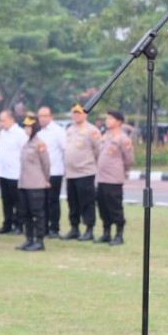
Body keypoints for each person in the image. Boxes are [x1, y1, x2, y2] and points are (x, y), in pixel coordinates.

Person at [62, 103, 101, 241]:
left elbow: (98, 150)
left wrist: (90, 164)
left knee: (87, 202)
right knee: (72, 203)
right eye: (74, 112)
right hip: (71, 173)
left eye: (79, 112)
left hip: (85, 172)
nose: (76, 115)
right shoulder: (70, 129)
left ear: (85, 114)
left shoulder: (92, 130)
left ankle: (89, 229)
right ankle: (74, 228)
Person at [94, 110, 133, 246]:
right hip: (102, 178)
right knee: (103, 206)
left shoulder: (123, 138)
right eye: (107, 118)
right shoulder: (105, 136)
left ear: (119, 122)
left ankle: (119, 234)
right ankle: (106, 233)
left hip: (114, 179)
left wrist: (124, 170)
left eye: (111, 119)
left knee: (115, 207)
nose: (107, 121)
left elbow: (129, 158)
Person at [17, 114, 51, 251]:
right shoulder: (27, 143)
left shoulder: (39, 143)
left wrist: (46, 179)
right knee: (26, 214)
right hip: (24, 183)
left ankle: (40, 240)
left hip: (36, 184)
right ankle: (29, 239)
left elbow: (46, 164)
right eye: (25, 126)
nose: (26, 128)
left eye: (29, 126)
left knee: (38, 213)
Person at [0, 109, 26, 235]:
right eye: (0, 120)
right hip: (3, 172)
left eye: (3, 120)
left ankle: (19, 225)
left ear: (11, 120)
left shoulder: (20, 133)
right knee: (6, 200)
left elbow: (24, 153)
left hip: (15, 173)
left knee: (18, 201)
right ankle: (7, 224)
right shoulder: (2, 133)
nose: (1, 123)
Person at [36, 106, 66, 239]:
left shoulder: (58, 131)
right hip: (40, 173)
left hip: (54, 172)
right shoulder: (37, 131)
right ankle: (44, 228)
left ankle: (54, 228)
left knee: (53, 201)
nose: (42, 118)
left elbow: (65, 149)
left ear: (51, 117)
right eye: (40, 116)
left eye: (45, 116)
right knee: (41, 202)